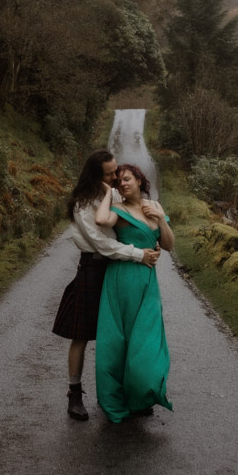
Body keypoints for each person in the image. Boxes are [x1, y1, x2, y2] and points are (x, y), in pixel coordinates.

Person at [52, 150, 161, 421]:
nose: (115, 176)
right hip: (93, 268)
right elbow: (101, 242)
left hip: (116, 269)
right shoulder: (82, 203)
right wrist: (138, 254)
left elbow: (128, 222)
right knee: (81, 335)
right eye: (110, 173)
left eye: (116, 172)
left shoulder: (113, 195)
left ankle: (126, 393)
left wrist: (149, 240)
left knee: (121, 334)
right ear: (95, 175)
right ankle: (74, 394)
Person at [94, 162, 174, 423]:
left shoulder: (155, 209)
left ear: (140, 180)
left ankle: (140, 395)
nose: (123, 184)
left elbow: (169, 245)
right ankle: (116, 397)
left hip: (147, 284)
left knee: (145, 341)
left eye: (128, 179)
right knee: (117, 342)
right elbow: (100, 220)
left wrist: (160, 218)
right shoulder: (118, 210)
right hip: (120, 280)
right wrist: (108, 193)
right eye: (119, 182)